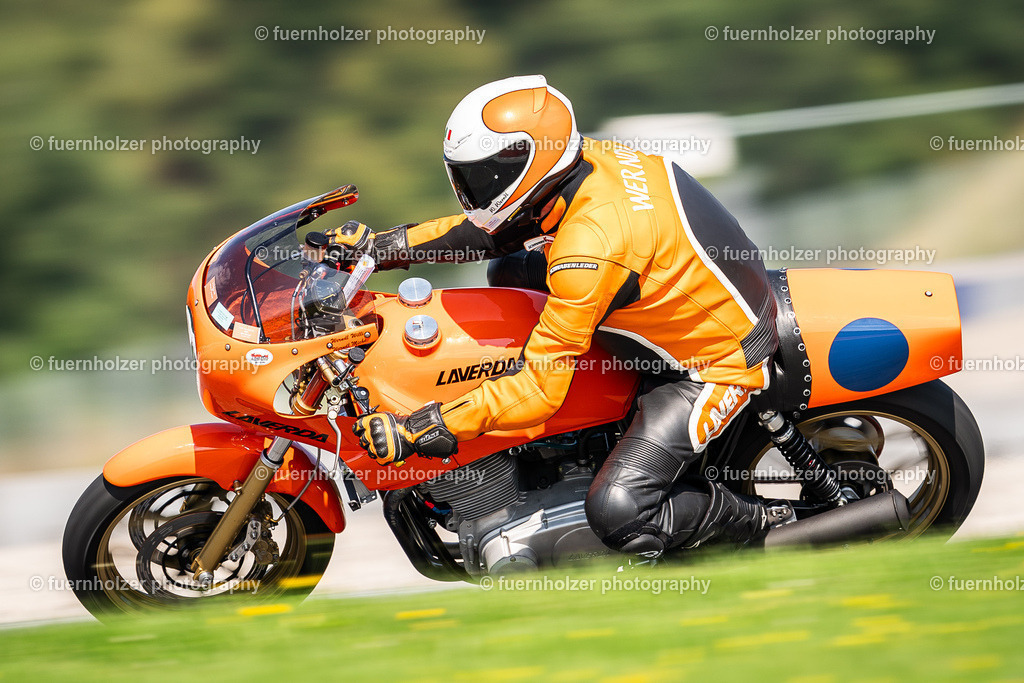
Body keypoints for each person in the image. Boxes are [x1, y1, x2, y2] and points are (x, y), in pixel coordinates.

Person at [338, 75, 792, 557]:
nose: (472, 190)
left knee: (620, 509)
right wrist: (383, 246)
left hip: (716, 361)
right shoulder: (583, 160)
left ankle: (770, 525)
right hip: (686, 292)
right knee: (509, 266)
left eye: (484, 175)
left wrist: (424, 425)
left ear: (530, 162)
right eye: (465, 176)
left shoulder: (587, 251)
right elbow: (498, 230)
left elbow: (538, 392)